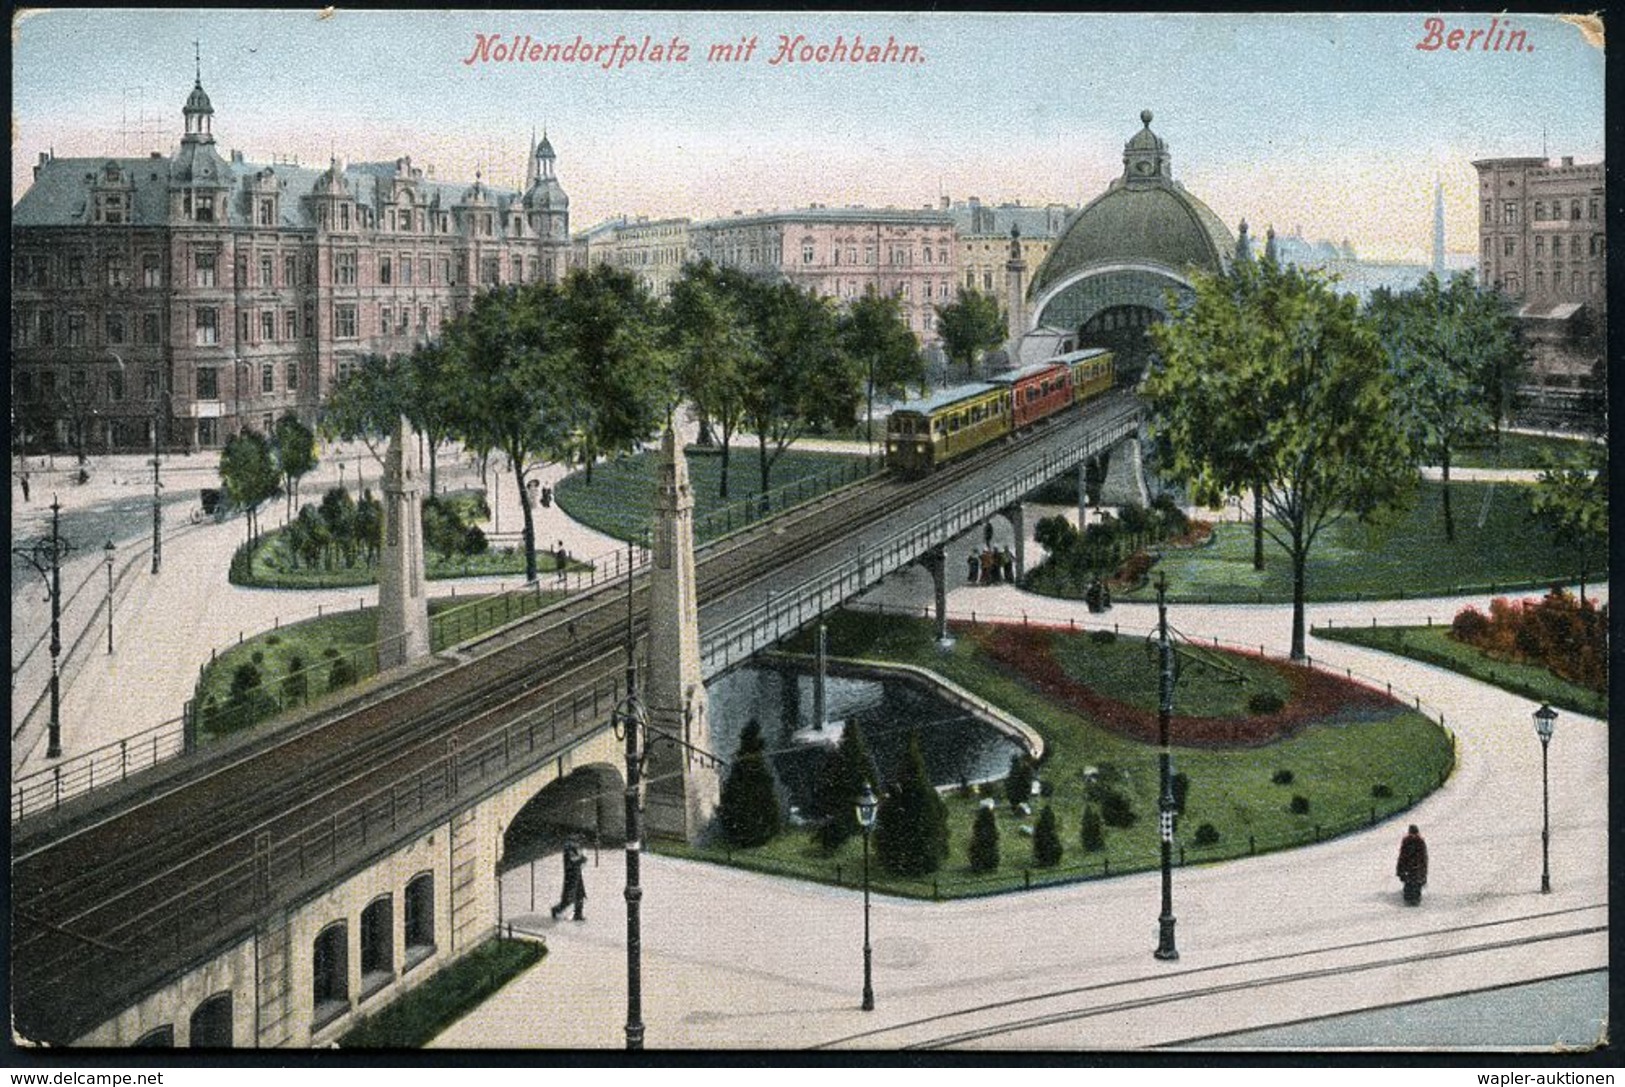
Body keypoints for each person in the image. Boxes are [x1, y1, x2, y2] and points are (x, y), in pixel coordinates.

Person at [551, 839, 587, 921]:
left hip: (577, 875)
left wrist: (582, 859)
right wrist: (582, 859)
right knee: (568, 898)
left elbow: (578, 859)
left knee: (580, 895)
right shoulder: (569, 849)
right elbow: (574, 861)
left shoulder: (575, 848)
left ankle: (578, 915)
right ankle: (556, 910)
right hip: (571, 877)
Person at [1396, 824, 1428, 906]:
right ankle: (1415, 901)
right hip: (1417, 869)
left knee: (1408, 886)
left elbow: (1402, 856)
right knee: (1416, 887)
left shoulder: (1406, 840)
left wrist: (1399, 870)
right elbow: (1424, 858)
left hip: (1408, 869)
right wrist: (1424, 873)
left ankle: (1409, 901)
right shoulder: (1420, 841)